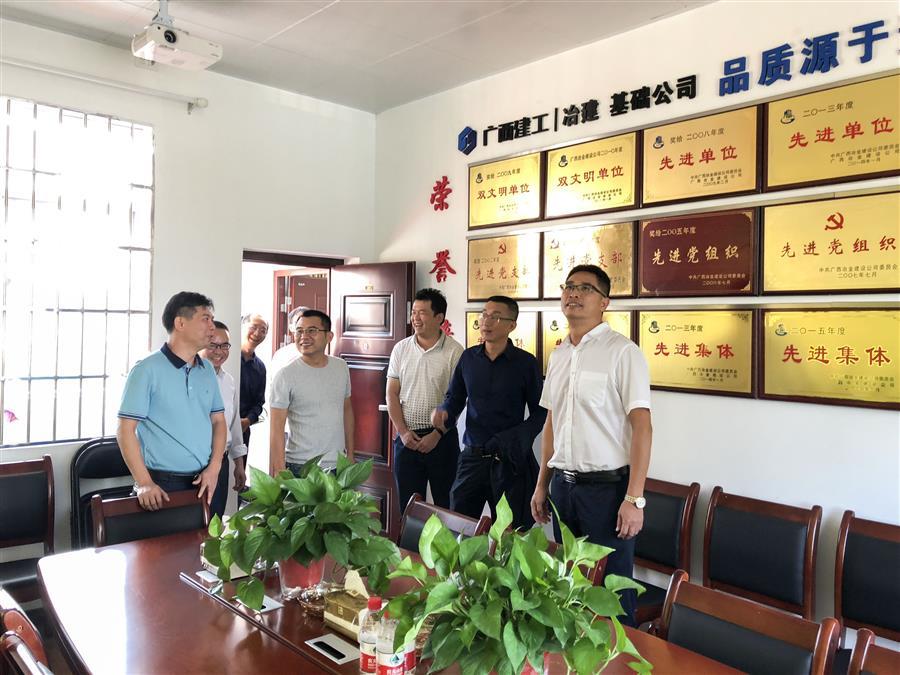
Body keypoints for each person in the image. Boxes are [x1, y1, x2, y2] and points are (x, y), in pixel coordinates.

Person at [530, 265, 652, 626]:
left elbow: (643, 427)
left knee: (612, 593)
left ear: (604, 302)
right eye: (568, 286)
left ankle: (620, 655)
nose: (573, 294)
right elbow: (552, 423)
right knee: (570, 585)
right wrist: (541, 484)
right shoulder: (559, 354)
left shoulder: (623, 352)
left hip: (607, 492)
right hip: (563, 488)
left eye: (585, 288)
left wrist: (634, 499)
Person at [432, 295, 546, 528]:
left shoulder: (526, 363)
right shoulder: (468, 358)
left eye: (496, 317)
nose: (486, 321)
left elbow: (540, 413)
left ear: (511, 325)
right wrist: (444, 412)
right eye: (484, 314)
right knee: (460, 526)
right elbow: (455, 398)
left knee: (508, 531)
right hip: (472, 457)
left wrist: (515, 439)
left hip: (508, 460)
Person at [117, 291, 226, 511]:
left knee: (210, 535)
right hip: (164, 485)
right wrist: (144, 482)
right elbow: (125, 430)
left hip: (207, 479)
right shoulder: (146, 369)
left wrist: (215, 468)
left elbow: (218, 421)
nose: (212, 327)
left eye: (212, 320)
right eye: (205, 319)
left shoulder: (207, 369)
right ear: (180, 323)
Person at [387, 288, 463, 509]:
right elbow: (391, 393)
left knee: (447, 507)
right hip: (407, 439)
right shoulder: (401, 349)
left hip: (442, 440)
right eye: (414, 312)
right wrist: (402, 431)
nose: (415, 318)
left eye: (422, 313)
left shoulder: (455, 352)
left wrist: (437, 433)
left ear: (439, 318)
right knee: (409, 508)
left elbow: (458, 398)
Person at [269, 309, 354, 475]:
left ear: (329, 336)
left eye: (312, 331)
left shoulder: (341, 367)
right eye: (299, 331)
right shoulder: (285, 375)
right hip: (301, 465)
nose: (304, 336)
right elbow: (276, 429)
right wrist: (279, 472)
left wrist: (350, 453)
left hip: (338, 464)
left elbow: (347, 410)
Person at [199, 320, 248, 519]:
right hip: (197, 461)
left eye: (224, 345)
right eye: (213, 345)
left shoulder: (229, 381)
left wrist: (239, 463)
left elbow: (234, 425)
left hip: (222, 462)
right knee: (193, 522)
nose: (219, 351)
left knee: (215, 520)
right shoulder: (189, 376)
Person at [239, 313, 268, 451]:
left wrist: (248, 420)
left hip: (242, 430)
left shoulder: (260, 367)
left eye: (263, 330)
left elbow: (258, 402)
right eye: (253, 327)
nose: (257, 333)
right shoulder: (224, 357)